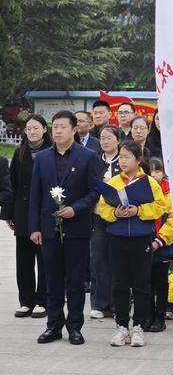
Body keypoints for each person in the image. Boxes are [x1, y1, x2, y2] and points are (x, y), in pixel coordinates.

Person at [29, 110, 100, 345]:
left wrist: (76, 208)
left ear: (73, 129)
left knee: (76, 280)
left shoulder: (88, 157)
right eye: (55, 127)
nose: (57, 131)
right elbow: (35, 195)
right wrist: (35, 228)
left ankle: (75, 326)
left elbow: (94, 192)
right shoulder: (42, 158)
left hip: (77, 229)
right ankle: (54, 325)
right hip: (49, 229)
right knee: (52, 279)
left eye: (62, 127)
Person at [98, 140, 166, 347]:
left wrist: (139, 210)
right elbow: (103, 208)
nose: (123, 161)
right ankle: (121, 327)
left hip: (141, 239)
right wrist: (115, 213)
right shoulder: (113, 183)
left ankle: (138, 327)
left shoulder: (150, 182)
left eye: (127, 157)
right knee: (119, 284)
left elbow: (160, 207)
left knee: (141, 284)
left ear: (138, 159)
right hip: (117, 238)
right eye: (122, 157)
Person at [2, 115, 51, 319]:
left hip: (43, 211)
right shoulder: (19, 152)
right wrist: (8, 213)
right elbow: (10, 184)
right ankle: (26, 301)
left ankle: (42, 300)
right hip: (22, 211)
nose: (31, 132)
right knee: (23, 259)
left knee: (44, 258)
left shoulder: (51, 152)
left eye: (35, 128)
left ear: (44, 130)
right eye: (28, 129)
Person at [90, 125, 122, 320]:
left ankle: (117, 303)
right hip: (98, 215)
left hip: (121, 215)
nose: (105, 141)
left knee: (118, 258)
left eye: (109, 138)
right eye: (102, 138)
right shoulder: (94, 160)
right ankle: (100, 303)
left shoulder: (125, 160)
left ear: (118, 140)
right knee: (99, 258)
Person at [145, 158, 173, 333]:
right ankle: (148, 316)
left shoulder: (171, 192)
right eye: (151, 171)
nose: (154, 174)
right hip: (145, 241)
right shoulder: (144, 189)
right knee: (146, 281)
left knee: (161, 282)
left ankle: (160, 316)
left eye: (158, 171)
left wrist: (160, 239)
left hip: (163, 244)